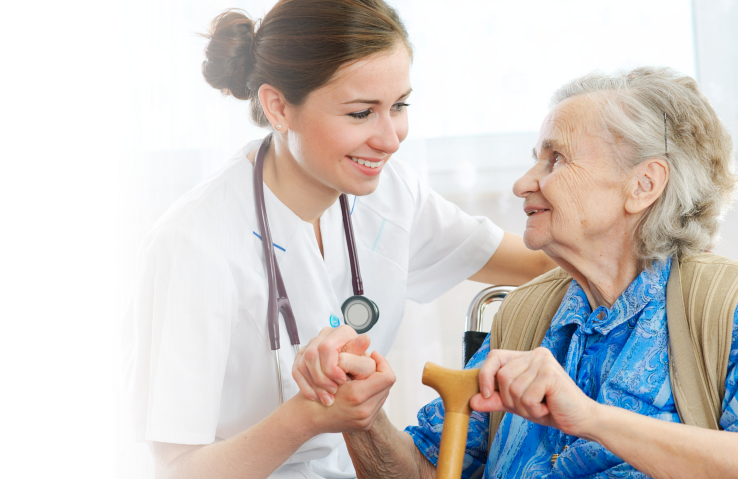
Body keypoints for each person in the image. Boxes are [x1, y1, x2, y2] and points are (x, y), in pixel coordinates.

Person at [119, 0, 555, 479]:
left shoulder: (389, 193)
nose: (390, 139)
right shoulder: (191, 245)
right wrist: (308, 416)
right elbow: (175, 471)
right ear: (278, 107)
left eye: (399, 105)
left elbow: (541, 262)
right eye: (361, 113)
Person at [296, 66, 738, 478]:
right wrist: (359, 413)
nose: (523, 183)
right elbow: (427, 469)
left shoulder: (725, 307)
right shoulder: (524, 314)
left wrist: (591, 418)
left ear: (643, 185)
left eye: (557, 159)